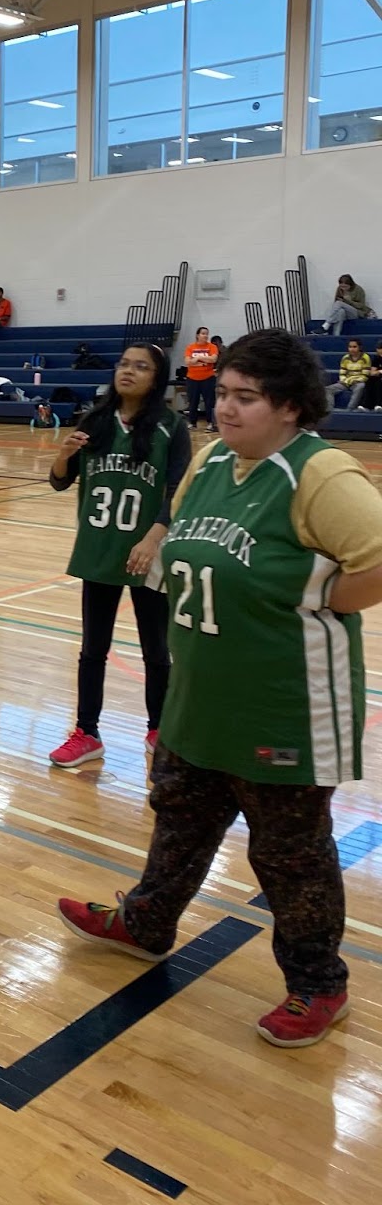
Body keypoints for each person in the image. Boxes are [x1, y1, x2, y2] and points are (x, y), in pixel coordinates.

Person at [59, 329, 382, 1048]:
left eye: (246, 397)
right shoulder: (210, 462)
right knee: (180, 816)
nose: (226, 409)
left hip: (284, 703)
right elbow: (177, 535)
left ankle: (319, 984)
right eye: (223, 393)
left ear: (292, 406)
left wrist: (324, 600)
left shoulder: (321, 475)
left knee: (289, 854)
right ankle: (147, 922)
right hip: (202, 692)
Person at [46, 342, 189, 768]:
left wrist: (153, 538)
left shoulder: (171, 426)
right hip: (100, 548)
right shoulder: (95, 420)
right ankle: (87, 732)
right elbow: (59, 482)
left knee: (156, 649)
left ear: (156, 378)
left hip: (149, 551)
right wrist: (64, 454)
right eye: (124, 364)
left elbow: (178, 491)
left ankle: (159, 728)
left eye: (140, 366)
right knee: (93, 648)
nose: (128, 371)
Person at [183, 326, 218, 430]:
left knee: (210, 401)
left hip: (208, 378)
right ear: (197, 335)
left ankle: (211, 423)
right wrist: (204, 359)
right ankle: (192, 423)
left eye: (207, 334)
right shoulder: (190, 347)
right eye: (203, 333)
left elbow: (213, 359)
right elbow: (188, 362)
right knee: (193, 401)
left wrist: (198, 358)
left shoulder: (212, 347)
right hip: (192, 378)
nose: (205, 336)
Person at [332, 338, 370, 411]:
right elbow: (342, 373)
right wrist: (345, 381)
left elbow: (365, 375)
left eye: (354, 347)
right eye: (350, 347)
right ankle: (329, 410)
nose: (352, 349)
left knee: (361, 386)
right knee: (328, 390)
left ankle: (349, 409)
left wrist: (353, 381)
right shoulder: (345, 358)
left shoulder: (365, 357)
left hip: (357, 382)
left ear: (360, 347)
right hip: (346, 382)